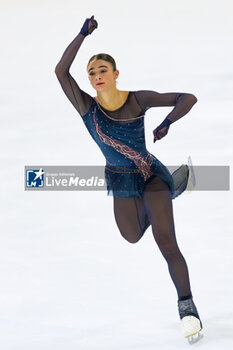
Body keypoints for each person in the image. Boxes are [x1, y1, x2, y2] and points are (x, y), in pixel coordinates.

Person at [55, 15, 203, 343]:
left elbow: (187, 97)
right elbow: (60, 72)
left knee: (165, 240)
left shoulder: (138, 99)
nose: (96, 76)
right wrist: (82, 34)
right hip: (120, 179)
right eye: (91, 72)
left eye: (102, 70)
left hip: (151, 175)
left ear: (116, 73)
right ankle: (176, 189)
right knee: (133, 236)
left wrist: (166, 122)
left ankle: (188, 308)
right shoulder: (85, 107)